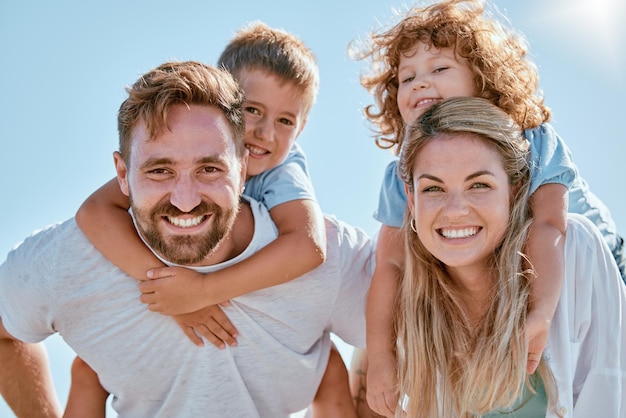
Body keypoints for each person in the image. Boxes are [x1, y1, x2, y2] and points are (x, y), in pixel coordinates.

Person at [0, 60, 373, 417]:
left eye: (209, 169)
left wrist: (201, 291)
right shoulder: (68, 262)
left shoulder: (330, 255)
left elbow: (408, 334)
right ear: (122, 173)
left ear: (243, 168)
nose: (186, 199)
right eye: (160, 170)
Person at [347, 0, 625, 414]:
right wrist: (381, 357)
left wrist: (542, 312)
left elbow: (549, 224)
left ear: (484, 81)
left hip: (591, 264)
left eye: (439, 70)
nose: (420, 84)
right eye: (407, 78)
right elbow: (390, 264)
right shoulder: (402, 172)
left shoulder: (532, 141)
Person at [395, 96, 625, 417]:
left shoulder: (576, 252)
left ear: (514, 191)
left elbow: (611, 394)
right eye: (434, 189)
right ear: (411, 199)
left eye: (479, 185)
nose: (456, 210)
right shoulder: (410, 310)